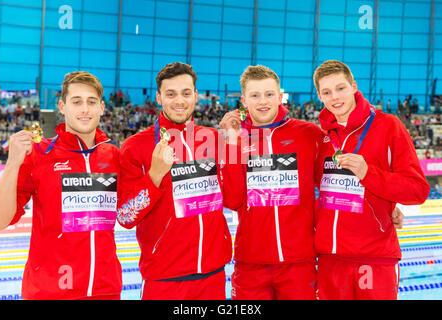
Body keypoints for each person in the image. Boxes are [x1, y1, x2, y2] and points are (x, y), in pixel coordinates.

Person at [116, 62, 244, 300]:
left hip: (213, 274)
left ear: (196, 95)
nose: (179, 101)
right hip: (164, 279)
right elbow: (125, 217)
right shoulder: (136, 146)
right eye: (170, 94)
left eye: (186, 93)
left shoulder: (214, 139)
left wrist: (234, 145)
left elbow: (235, 199)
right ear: (158, 97)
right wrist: (154, 175)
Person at [0, 71, 122, 300]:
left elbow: (131, 213)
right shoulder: (39, 154)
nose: (84, 109)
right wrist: (12, 164)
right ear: (62, 106)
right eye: (76, 101)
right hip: (49, 292)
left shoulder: (113, 156)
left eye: (91, 102)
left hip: (105, 290)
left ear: (102, 108)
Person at [313, 60, 430, 300]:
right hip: (329, 259)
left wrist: (369, 175)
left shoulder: (389, 127)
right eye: (327, 92)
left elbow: (417, 190)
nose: (335, 97)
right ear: (319, 96)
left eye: (341, 88)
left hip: (374, 257)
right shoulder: (319, 137)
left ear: (354, 86)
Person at [219, 65, 324, 299]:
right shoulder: (235, 141)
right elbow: (233, 199)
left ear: (279, 96)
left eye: (269, 94)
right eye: (255, 95)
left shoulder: (308, 133)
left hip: (300, 261)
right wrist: (233, 144)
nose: (263, 101)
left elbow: (331, 181)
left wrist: (385, 206)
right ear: (244, 100)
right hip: (251, 263)